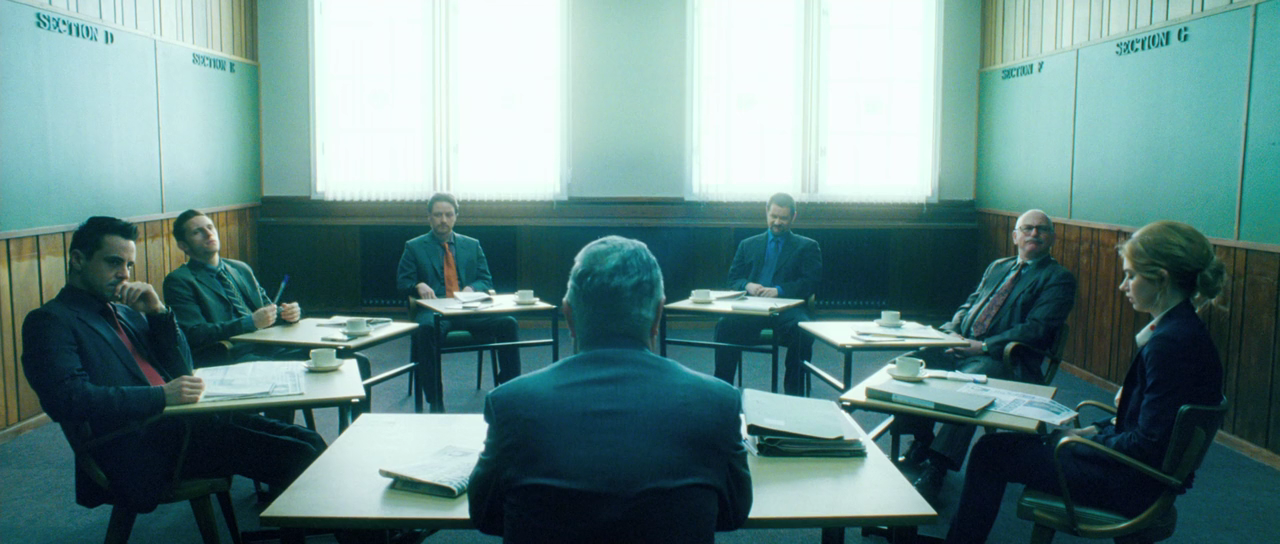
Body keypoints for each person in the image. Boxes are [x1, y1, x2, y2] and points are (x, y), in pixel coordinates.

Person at [944, 220, 1225, 543]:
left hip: (1131, 483)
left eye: (1130, 276)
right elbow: (1146, 422)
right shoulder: (1183, 329)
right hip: (1140, 473)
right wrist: (1089, 431)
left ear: (1161, 279)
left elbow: (1146, 446)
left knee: (990, 453)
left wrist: (1081, 443)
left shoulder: (1169, 344)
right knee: (1006, 447)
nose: (1123, 286)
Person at [21, 216, 325, 513]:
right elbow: (68, 399)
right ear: (77, 260)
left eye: (129, 265)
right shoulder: (51, 321)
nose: (124, 274)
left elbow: (183, 367)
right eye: (114, 262)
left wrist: (159, 313)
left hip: (185, 425)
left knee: (308, 439)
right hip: (137, 447)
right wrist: (161, 396)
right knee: (298, 454)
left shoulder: (125, 311)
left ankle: (324, 523)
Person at [469, 236, 753, 543]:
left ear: (569, 315)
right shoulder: (717, 403)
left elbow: (485, 516)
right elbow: (732, 513)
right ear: (658, 315)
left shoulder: (511, 404)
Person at [902, 209, 1077, 499]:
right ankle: (922, 439)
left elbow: (1036, 329)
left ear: (1052, 239)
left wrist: (982, 346)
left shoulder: (1058, 278)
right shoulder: (999, 266)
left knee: (970, 386)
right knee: (909, 363)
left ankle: (937, 466)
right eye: (1028, 228)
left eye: (1042, 229)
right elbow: (969, 304)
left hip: (1007, 359)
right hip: (962, 344)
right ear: (1015, 236)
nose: (1034, 233)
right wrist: (951, 332)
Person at [396, 193, 521, 394]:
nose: (443, 220)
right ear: (429, 217)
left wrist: (472, 288)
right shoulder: (414, 247)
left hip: (469, 309)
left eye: (448, 214)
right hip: (435, 311)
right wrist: (418, 285)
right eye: (438, 215)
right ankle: (435, 397)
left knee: (508, 323)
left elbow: (486, 280)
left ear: (456, 216)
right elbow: (402, 283)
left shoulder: (472, 245)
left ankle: (510, 388)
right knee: (425, 330)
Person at [713, 192, 822, 396]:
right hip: (751, 309)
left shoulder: (807, 246)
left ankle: (794, 397)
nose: (777, 222)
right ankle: (722, 392)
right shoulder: (747, 244)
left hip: (787, 311)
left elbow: (811, 283)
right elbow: (733, 279)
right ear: (766, 212)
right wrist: (747, 285)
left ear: (793, 217)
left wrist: (779, 291)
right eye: (774, 216)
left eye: (783, 218)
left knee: (803, 331)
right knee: (724, 326)